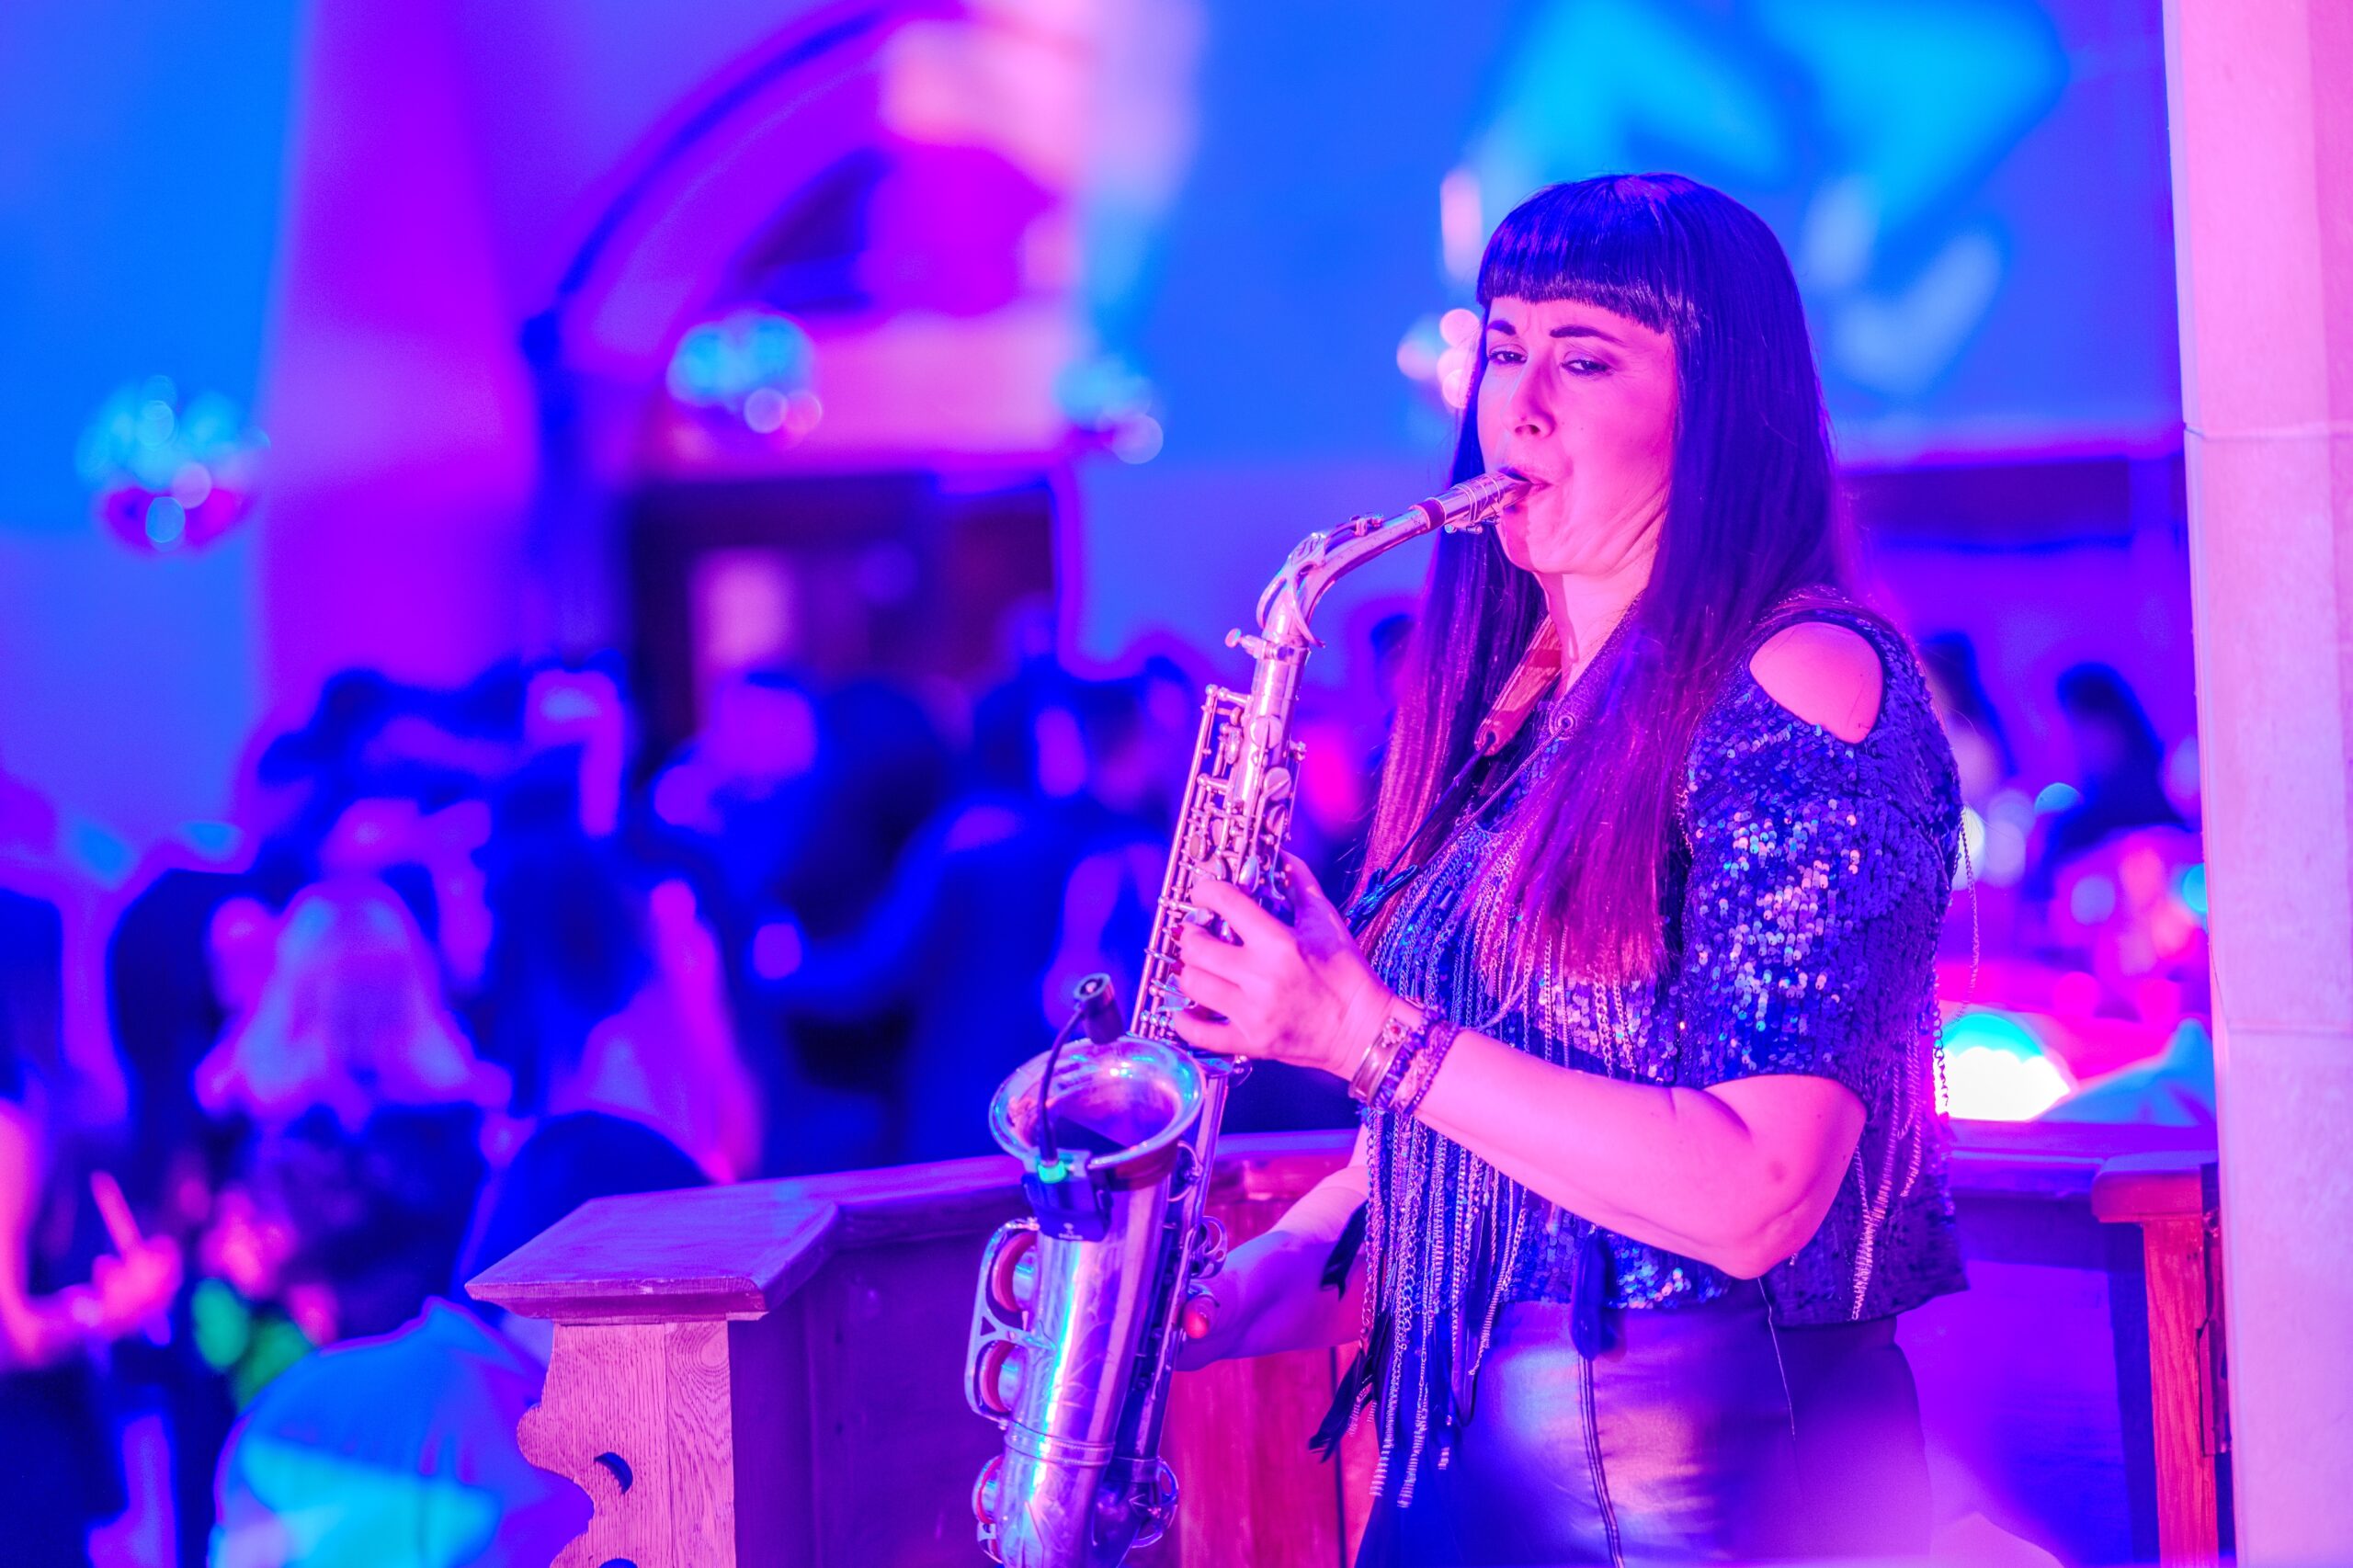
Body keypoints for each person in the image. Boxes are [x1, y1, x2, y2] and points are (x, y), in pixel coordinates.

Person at [1167, 176, 1965, 1563]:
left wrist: (1364, 1032)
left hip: (1701, 1492)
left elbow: (1759, 1190)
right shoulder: (1522, 714)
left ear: (1718, 411)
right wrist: (1221, 1297)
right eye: (1502, 347)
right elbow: (1462, 1159)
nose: (1517, 407)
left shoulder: (1804, 678)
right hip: (1469, 1469)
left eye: (1585, 360)